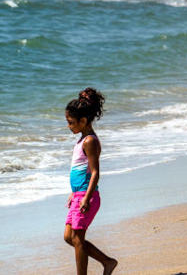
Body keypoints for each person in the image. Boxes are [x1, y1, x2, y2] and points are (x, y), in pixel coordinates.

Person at [64, 88, 118, 275]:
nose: (69, 126)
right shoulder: (82, 140)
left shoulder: (90, 141)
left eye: (71, 122)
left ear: (83, 121)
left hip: (87, 196)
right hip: (78, 194)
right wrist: (74, 192)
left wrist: (86, 197)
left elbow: (95, 173)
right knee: (69, 237)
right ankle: (107, 262)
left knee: (78, 239)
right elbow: (82, 171)